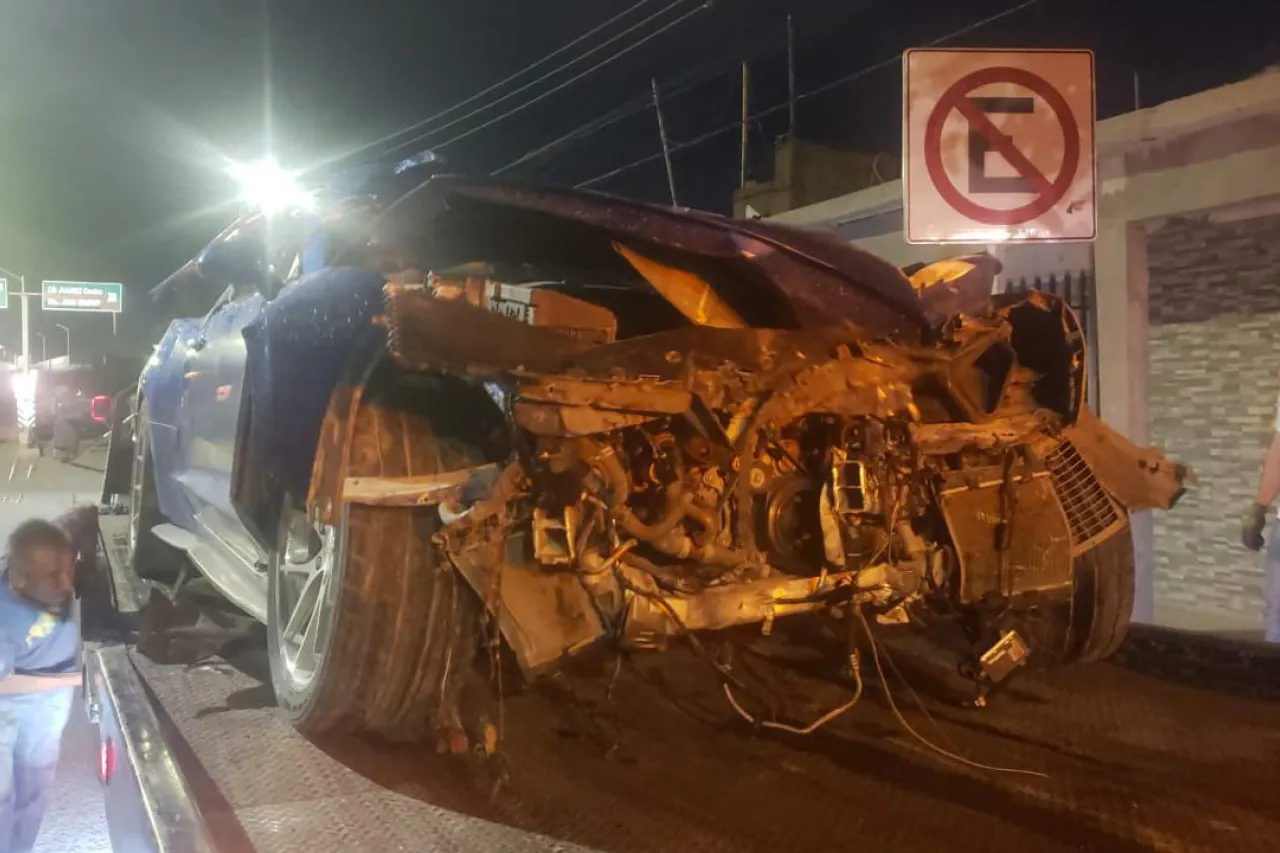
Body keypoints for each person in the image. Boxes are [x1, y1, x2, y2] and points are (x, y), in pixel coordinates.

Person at [0, 520, 83, 853]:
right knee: (3, 798)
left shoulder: (49, 575)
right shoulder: (4, 618)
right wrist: (75, 680)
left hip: (48, 704)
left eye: (69, 569)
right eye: (52, 575)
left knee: (35, 790)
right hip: (7, 706)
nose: (65, 584)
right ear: (20, 579)